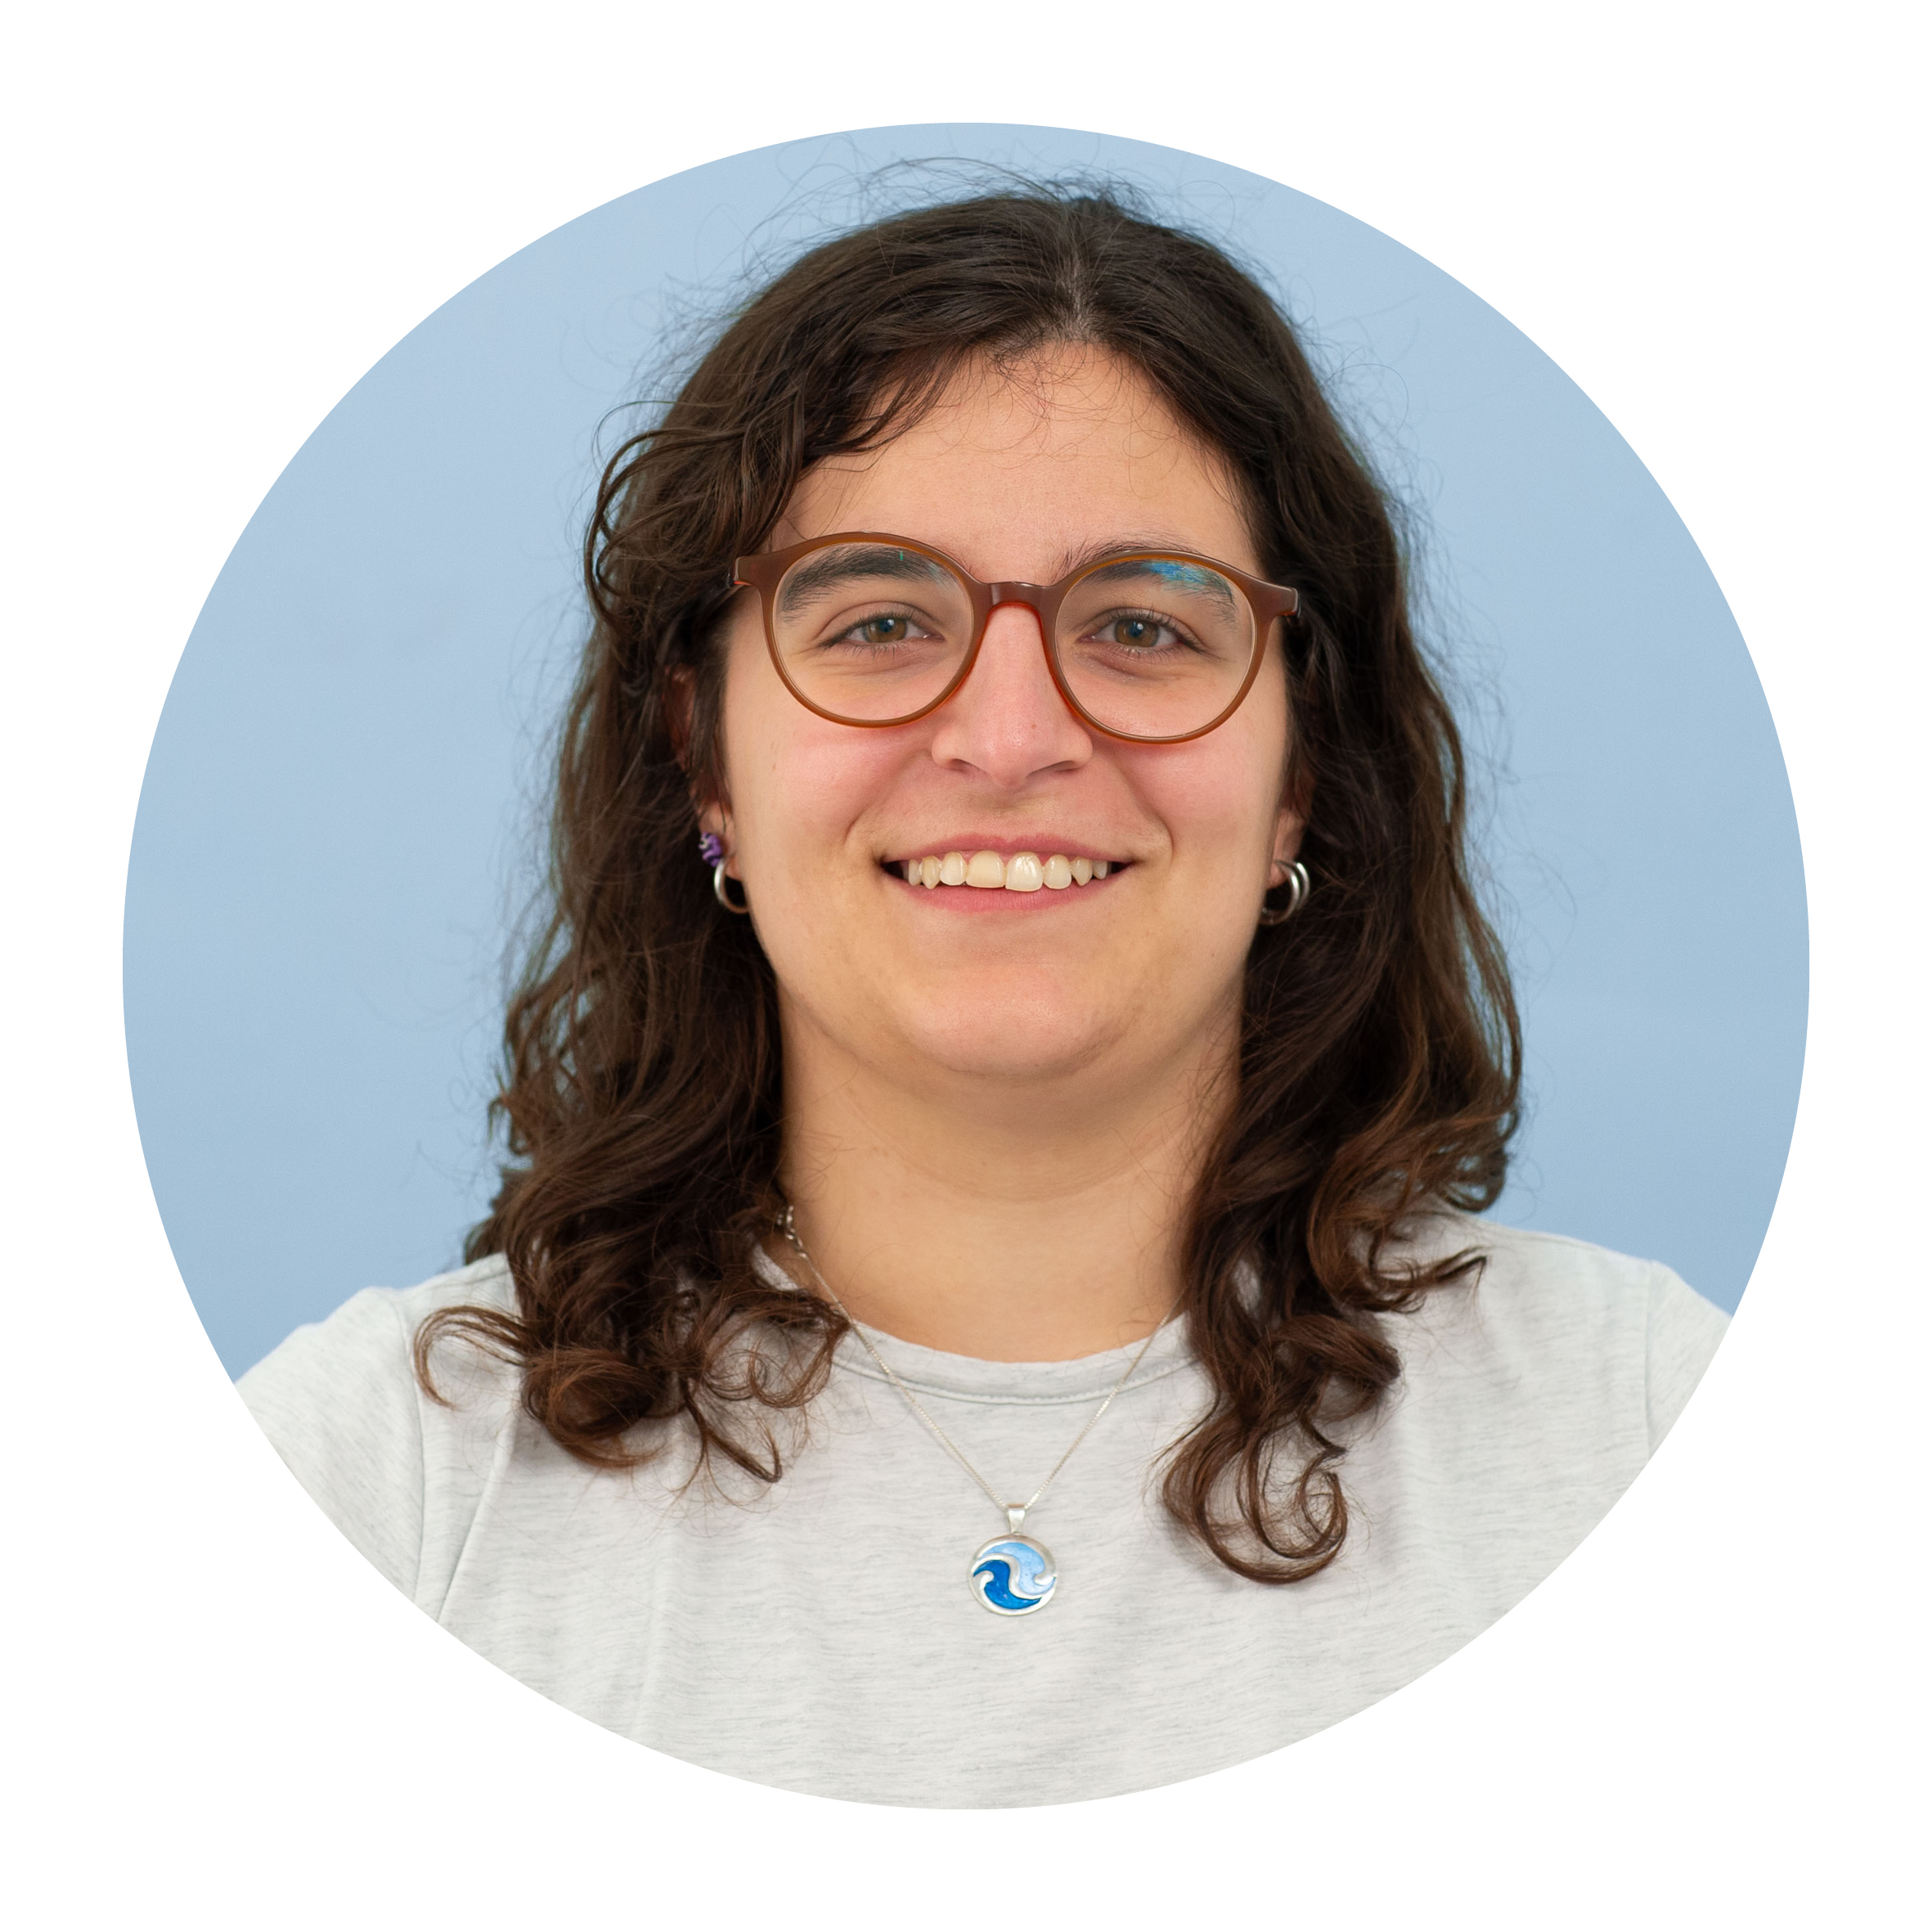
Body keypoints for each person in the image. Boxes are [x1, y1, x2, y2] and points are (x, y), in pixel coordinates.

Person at [239, 186, 1728, 1808]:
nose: (1009, 735)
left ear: (1298, 779)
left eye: (1143, 624)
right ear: (704, 758)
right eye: (878, 619)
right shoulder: (371, 1487)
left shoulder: (1655, 1434)